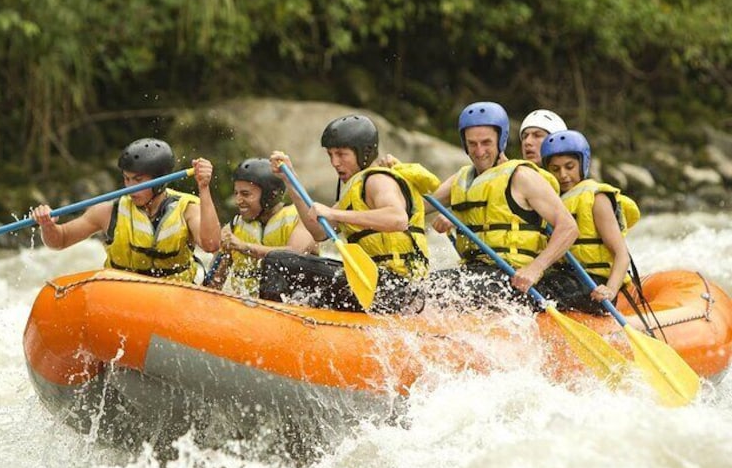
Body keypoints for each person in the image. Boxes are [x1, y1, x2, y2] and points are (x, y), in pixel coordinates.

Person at [267, 114, 441, 313]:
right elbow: (319, 233)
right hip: (376, 284)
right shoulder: (353, 191)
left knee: (278, 262)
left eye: (341, 154)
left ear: (364, 153)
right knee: (292, 267)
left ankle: (273, 322)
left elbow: (397, 218)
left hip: (396, 288)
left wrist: (336, 214)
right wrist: (290, 182)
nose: (334, 162)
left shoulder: (377, 180)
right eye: (330, 155)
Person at [428, 101, 578, 309]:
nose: (479, 151)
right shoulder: (463, 178)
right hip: (474, 272)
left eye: (486, 143)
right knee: (426, 286)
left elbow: (569, 228)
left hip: (511, 277)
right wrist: (396, 177)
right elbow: (423, 203)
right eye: (472, 144)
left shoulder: (522, 176)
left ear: (501, 140)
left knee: (442, 292)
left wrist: (535, 269)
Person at [31, 138, 220, 282]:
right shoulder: (107, 211)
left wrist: (203, 187)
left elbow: (211, 245)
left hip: (173, 299)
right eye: (126, 179)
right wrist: (47, 226)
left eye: (138, 180)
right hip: (122, 300)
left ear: (160, 181)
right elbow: (61, 240)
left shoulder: (187, 209)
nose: (130, 187)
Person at [540, 130, 640, 314]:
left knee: (545, 289)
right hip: (564, 278)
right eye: (555, 169)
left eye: (569, 166)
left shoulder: (596, 198)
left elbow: (621, 254)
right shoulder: (550, 200)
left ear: (583, 164)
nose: (563, 175)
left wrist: (610, 290)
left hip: (592, 283)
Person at [205, 157, 317, 296]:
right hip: (247, 308)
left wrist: (245, 247)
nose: (238, 201)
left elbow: (294, 253)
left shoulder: (302, 218)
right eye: (236, 193)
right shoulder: (233, 228)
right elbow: (213, 284)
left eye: (245, 194)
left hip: (293, 306)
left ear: (271, 195)